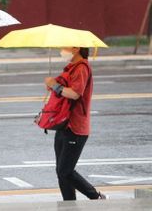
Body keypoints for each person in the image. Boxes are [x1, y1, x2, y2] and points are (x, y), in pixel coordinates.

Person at [44, 47, 108, 201]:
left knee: (65, 170)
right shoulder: (71, 68)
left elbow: (74, 94)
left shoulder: (81, 68)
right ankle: (69, 204)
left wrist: (55, 85)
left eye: (66, 47)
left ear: (76, 48)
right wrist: (54, 84)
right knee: (61, 171)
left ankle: (96, 197)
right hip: (64, 124)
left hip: (76, 127)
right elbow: (64, 91)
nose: (62, 50)